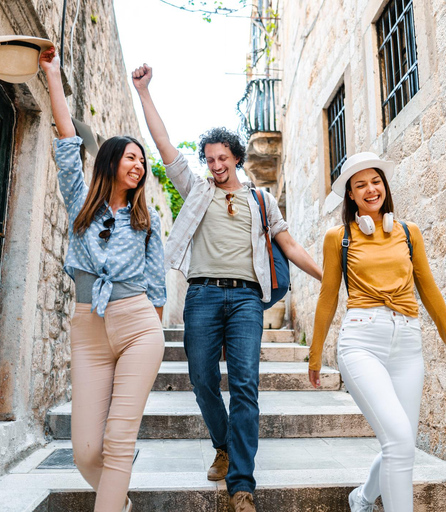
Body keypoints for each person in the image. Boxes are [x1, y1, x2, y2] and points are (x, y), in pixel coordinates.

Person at [131, 64, 322, 512]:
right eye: (210, 159)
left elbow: (289, 244)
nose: (216, 166)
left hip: (245, 300)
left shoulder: (262, 199)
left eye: (223, 158)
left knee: (245, 385)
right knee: (201, 378)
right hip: (202, 294)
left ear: (236, 156)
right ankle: (222, 443)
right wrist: (143, 94)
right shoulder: (196, 190)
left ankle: (242, 485)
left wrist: (328, 278)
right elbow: (164, 146)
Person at [40, 48, 166, 512]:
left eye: (142, 161)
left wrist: (150, 333)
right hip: (88, 327)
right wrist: (53, 73)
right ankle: (122, 503)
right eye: (131, 157)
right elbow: (67, 140)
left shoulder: (146, 223)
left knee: (117, 441)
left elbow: (156, 290)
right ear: (111, 159)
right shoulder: (81, 201)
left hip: (137, 324)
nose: (138, 165)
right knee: (85, 451)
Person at [308, 152, 446, 512]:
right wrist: (315, 354)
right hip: (362, 341)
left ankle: (362, 498)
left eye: (375, 181)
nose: (370, 189)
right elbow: (327, 297)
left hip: (408, 344)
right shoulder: (339, 237)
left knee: (403, 443)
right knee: (397, 439)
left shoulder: (409, 233)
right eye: (360, 184)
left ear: (385, 186)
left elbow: (427, 288)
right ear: (351, 194)